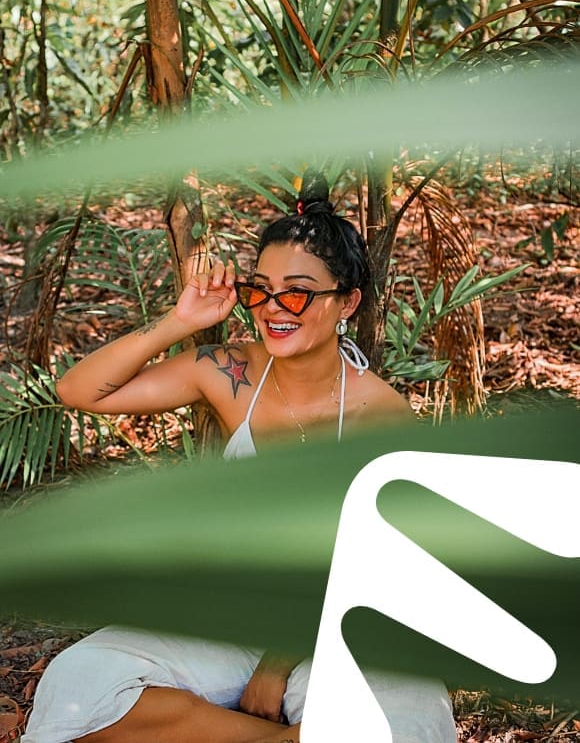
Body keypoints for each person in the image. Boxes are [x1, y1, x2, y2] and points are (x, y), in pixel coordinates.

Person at [23, 171, 456, 743]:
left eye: (298, 291)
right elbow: (80, 391)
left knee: (404, 722)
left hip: (331, 630)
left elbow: (366, 569)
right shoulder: (232, 373)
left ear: (347, 301)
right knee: (79, 684)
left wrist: (275, 670)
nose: (274, 307)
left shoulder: (381, 415)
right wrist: (181, 322)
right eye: (260, 289)